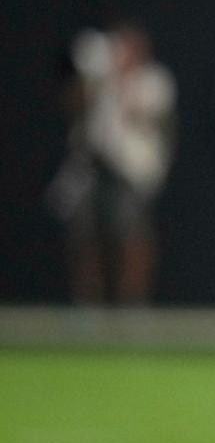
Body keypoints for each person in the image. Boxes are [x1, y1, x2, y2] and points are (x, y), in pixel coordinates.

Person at [47, 21, 176, 306]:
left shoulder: (154, 80)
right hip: (92, 164)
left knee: (131, 233)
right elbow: (72, 106)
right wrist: (92, 79)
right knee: (84, 233)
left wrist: (118, 83)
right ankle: (87, 300)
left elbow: (143, 114)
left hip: (132, 169)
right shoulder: (98, 80)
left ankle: (132, 300)